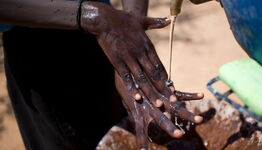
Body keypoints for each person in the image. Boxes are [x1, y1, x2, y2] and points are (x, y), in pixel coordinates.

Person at [0, 0, 204, 149]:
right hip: (39, 51)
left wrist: (130, 29)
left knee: (127, 122)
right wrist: (94, 18)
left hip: (110, 34)